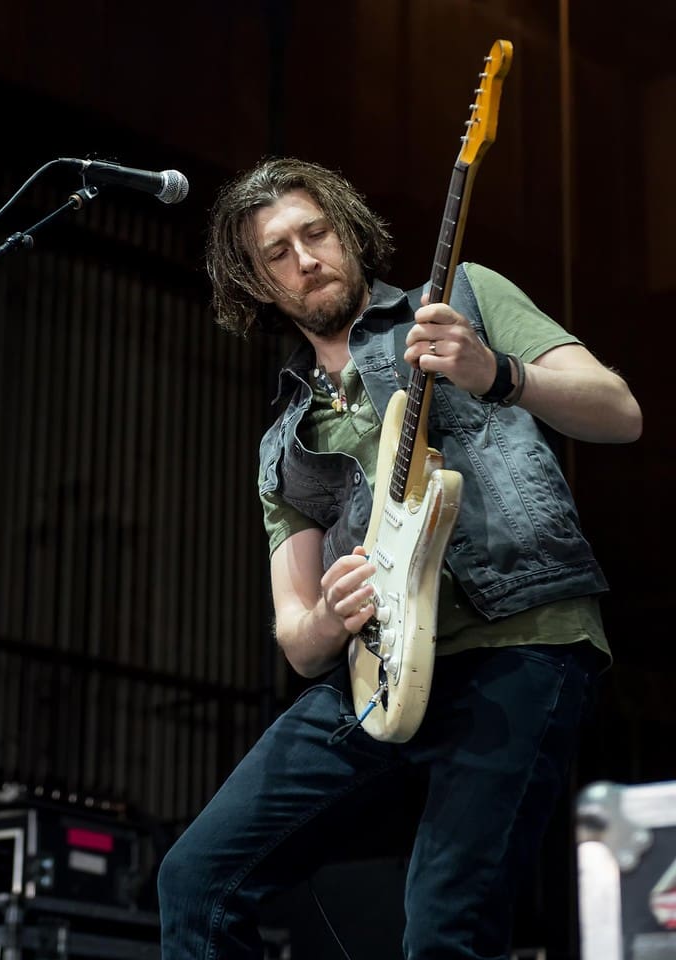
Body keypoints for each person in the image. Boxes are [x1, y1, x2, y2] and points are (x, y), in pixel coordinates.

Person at [157, 157, 642, 960]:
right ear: (256, 284)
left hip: (519, 641)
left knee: (445, 927)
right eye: (277, 253)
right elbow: (298, 639)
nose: (305, 258)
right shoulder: (283, 444)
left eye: (315, 233)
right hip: (377, 671)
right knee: (195, 879)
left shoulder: (462, 300)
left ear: (349, 231)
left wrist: (499, 373)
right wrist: (328, 615)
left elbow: (619, 412)